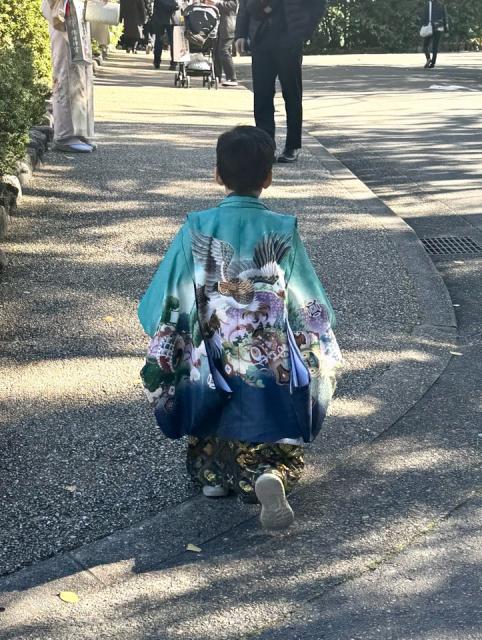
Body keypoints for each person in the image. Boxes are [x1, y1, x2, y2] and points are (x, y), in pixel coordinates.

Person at [138, 126, 341, 530]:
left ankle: (214, 478)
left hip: (213, 350)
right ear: (268, 177)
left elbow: (169, 291)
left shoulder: (196, 226)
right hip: (266, 355)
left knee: (207, 393)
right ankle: (268, 476)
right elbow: (305, 299)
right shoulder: (282, 228)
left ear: (217, 174)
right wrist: (318, 334)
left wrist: (165, 328)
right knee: (273, 408)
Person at [235, 0, 327, 163]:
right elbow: (244, 4)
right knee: (262, 95)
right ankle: (266, 147)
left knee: (292, 94)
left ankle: (293, 146)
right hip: (260, 37)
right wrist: (240, 34)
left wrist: (305, 31)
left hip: (289, 37)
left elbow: (317, 4)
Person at [41, 0, 106, 153]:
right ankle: (64, 136)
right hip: (65, 11)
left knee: (81, 72)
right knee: (66, 70)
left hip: (78, 10)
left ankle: (80, 132)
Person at [207, 0, 239, 86]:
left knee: (223, 51)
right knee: (216, 51)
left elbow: (232, 5)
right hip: (220, 28)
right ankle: (217, 76)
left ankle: (232, 78)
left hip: (228, 27)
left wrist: (216, 3)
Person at [152, 0, 181, 70]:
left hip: (159, 17)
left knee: (158, 40)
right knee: (174, 42)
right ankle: (174, 63)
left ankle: (157, 62)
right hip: (173, 18)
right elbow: (178, 5)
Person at [422, 0, 448, 68]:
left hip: (430, 27)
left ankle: (428, 58)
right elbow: (445, 18)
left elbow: (424, 16)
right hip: (439, 27)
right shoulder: (441, 5)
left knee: (425, 45)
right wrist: (446, 31)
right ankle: (433, 63)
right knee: (435, 46)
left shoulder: (428, 4)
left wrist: (423, 25)